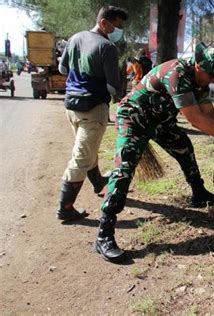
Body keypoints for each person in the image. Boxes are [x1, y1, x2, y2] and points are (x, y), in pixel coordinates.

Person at [95, 43, 214, 262]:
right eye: (211, 75)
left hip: (161, 122)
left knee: (184, 148)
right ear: (200, 66)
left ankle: (198, 192)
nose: (212, 80)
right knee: (124, 170)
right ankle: (104, 233)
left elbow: (209, 112)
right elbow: (197, 120)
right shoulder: (177, 73)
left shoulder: (199, 82)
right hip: (134, 119)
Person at [56, 6, 128, 222]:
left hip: (71, 106)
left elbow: (62, 69)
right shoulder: (107, 47)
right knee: (81, 157)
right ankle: (65, 208)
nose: (119, 31)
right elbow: (114, 86)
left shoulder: (75, 38)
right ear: (105, 23)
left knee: (88, 148)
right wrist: (119, 98)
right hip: (93, 109)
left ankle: (98, 182)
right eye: (118, 26)